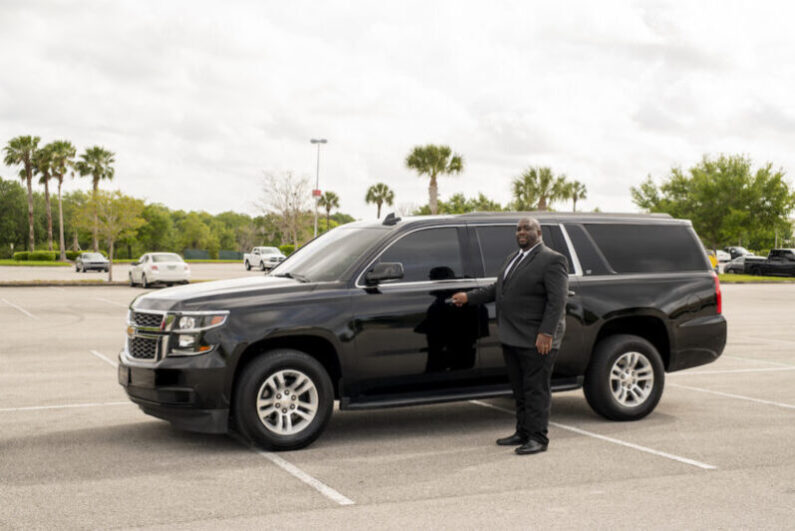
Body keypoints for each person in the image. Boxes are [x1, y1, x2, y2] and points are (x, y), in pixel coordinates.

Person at [451, 217, 568, 455]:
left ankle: (538, 438)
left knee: (536, 389)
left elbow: (557, 301)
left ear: (539, 232)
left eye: (527, 228)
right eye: (518, 229)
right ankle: (523, 432)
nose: (521, 232)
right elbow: (498, 289)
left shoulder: (552, 260)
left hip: (537, 338)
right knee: (520, 388)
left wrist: (546, 332)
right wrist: (468, 297)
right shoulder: (513, 258)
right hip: (512, 336)